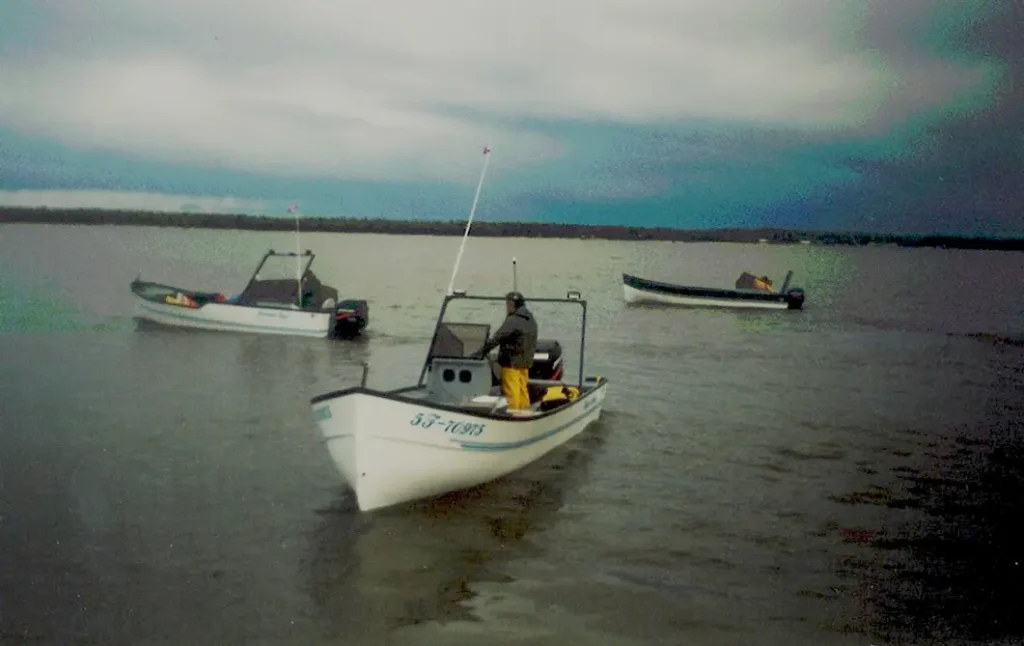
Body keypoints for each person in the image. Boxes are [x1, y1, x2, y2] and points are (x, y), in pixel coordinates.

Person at [471, 291, 538, 411]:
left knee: (512, 391)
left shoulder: (513, 320)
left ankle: (513, 415)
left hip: (511, 362)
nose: (507, 306)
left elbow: (497, 338)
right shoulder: (530, 318)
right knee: (522, 389)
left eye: (509, 303)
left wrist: (480, 353)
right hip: (525, 362)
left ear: (514, 304)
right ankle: (525, 412)